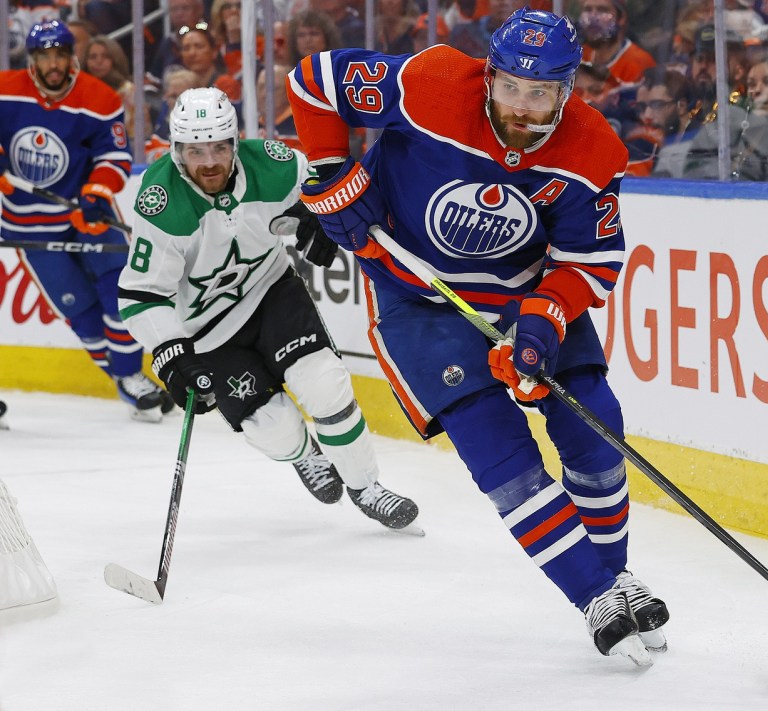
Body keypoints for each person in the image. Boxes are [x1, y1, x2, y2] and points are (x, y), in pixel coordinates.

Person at [286, 7, 669, 664]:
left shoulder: (594, 149)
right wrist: (327, 171)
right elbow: (315, 79)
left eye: (541, 92)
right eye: (512, 87)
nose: (523, 105)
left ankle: (616, 573)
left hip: (527, 294)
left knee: (594, 419)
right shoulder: (433, 82)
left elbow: (592, 260)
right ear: (490, 74)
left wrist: (542, 321)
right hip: (420, 300)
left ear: (567, 89)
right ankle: (593, 595)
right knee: (500, 450)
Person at [116, 87, 419, 529]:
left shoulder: (274, 165)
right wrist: (171, 354)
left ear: (236, 141)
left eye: (220, 146)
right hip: (205, 330)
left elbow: (320, 191)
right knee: (269, 425)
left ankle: (366, 487)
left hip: (271, 291)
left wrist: (322, 216)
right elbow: (140, 295)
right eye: (195, 150)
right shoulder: (160, 201)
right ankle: (304, 454)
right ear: (176, 150)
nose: (209, 162)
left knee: (324, 384)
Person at [0, 20, 173, 422]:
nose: (54, 63)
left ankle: (131, 377)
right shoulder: (6, 91)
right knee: (82, 314)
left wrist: (97, 191)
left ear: (71, 56)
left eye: (61, 54)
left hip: (88, 215)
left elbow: (114, 157)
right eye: (45, 56)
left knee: (120, 294)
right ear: (33, 60)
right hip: (28, 223)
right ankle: (126, 377)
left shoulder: (99, 97)